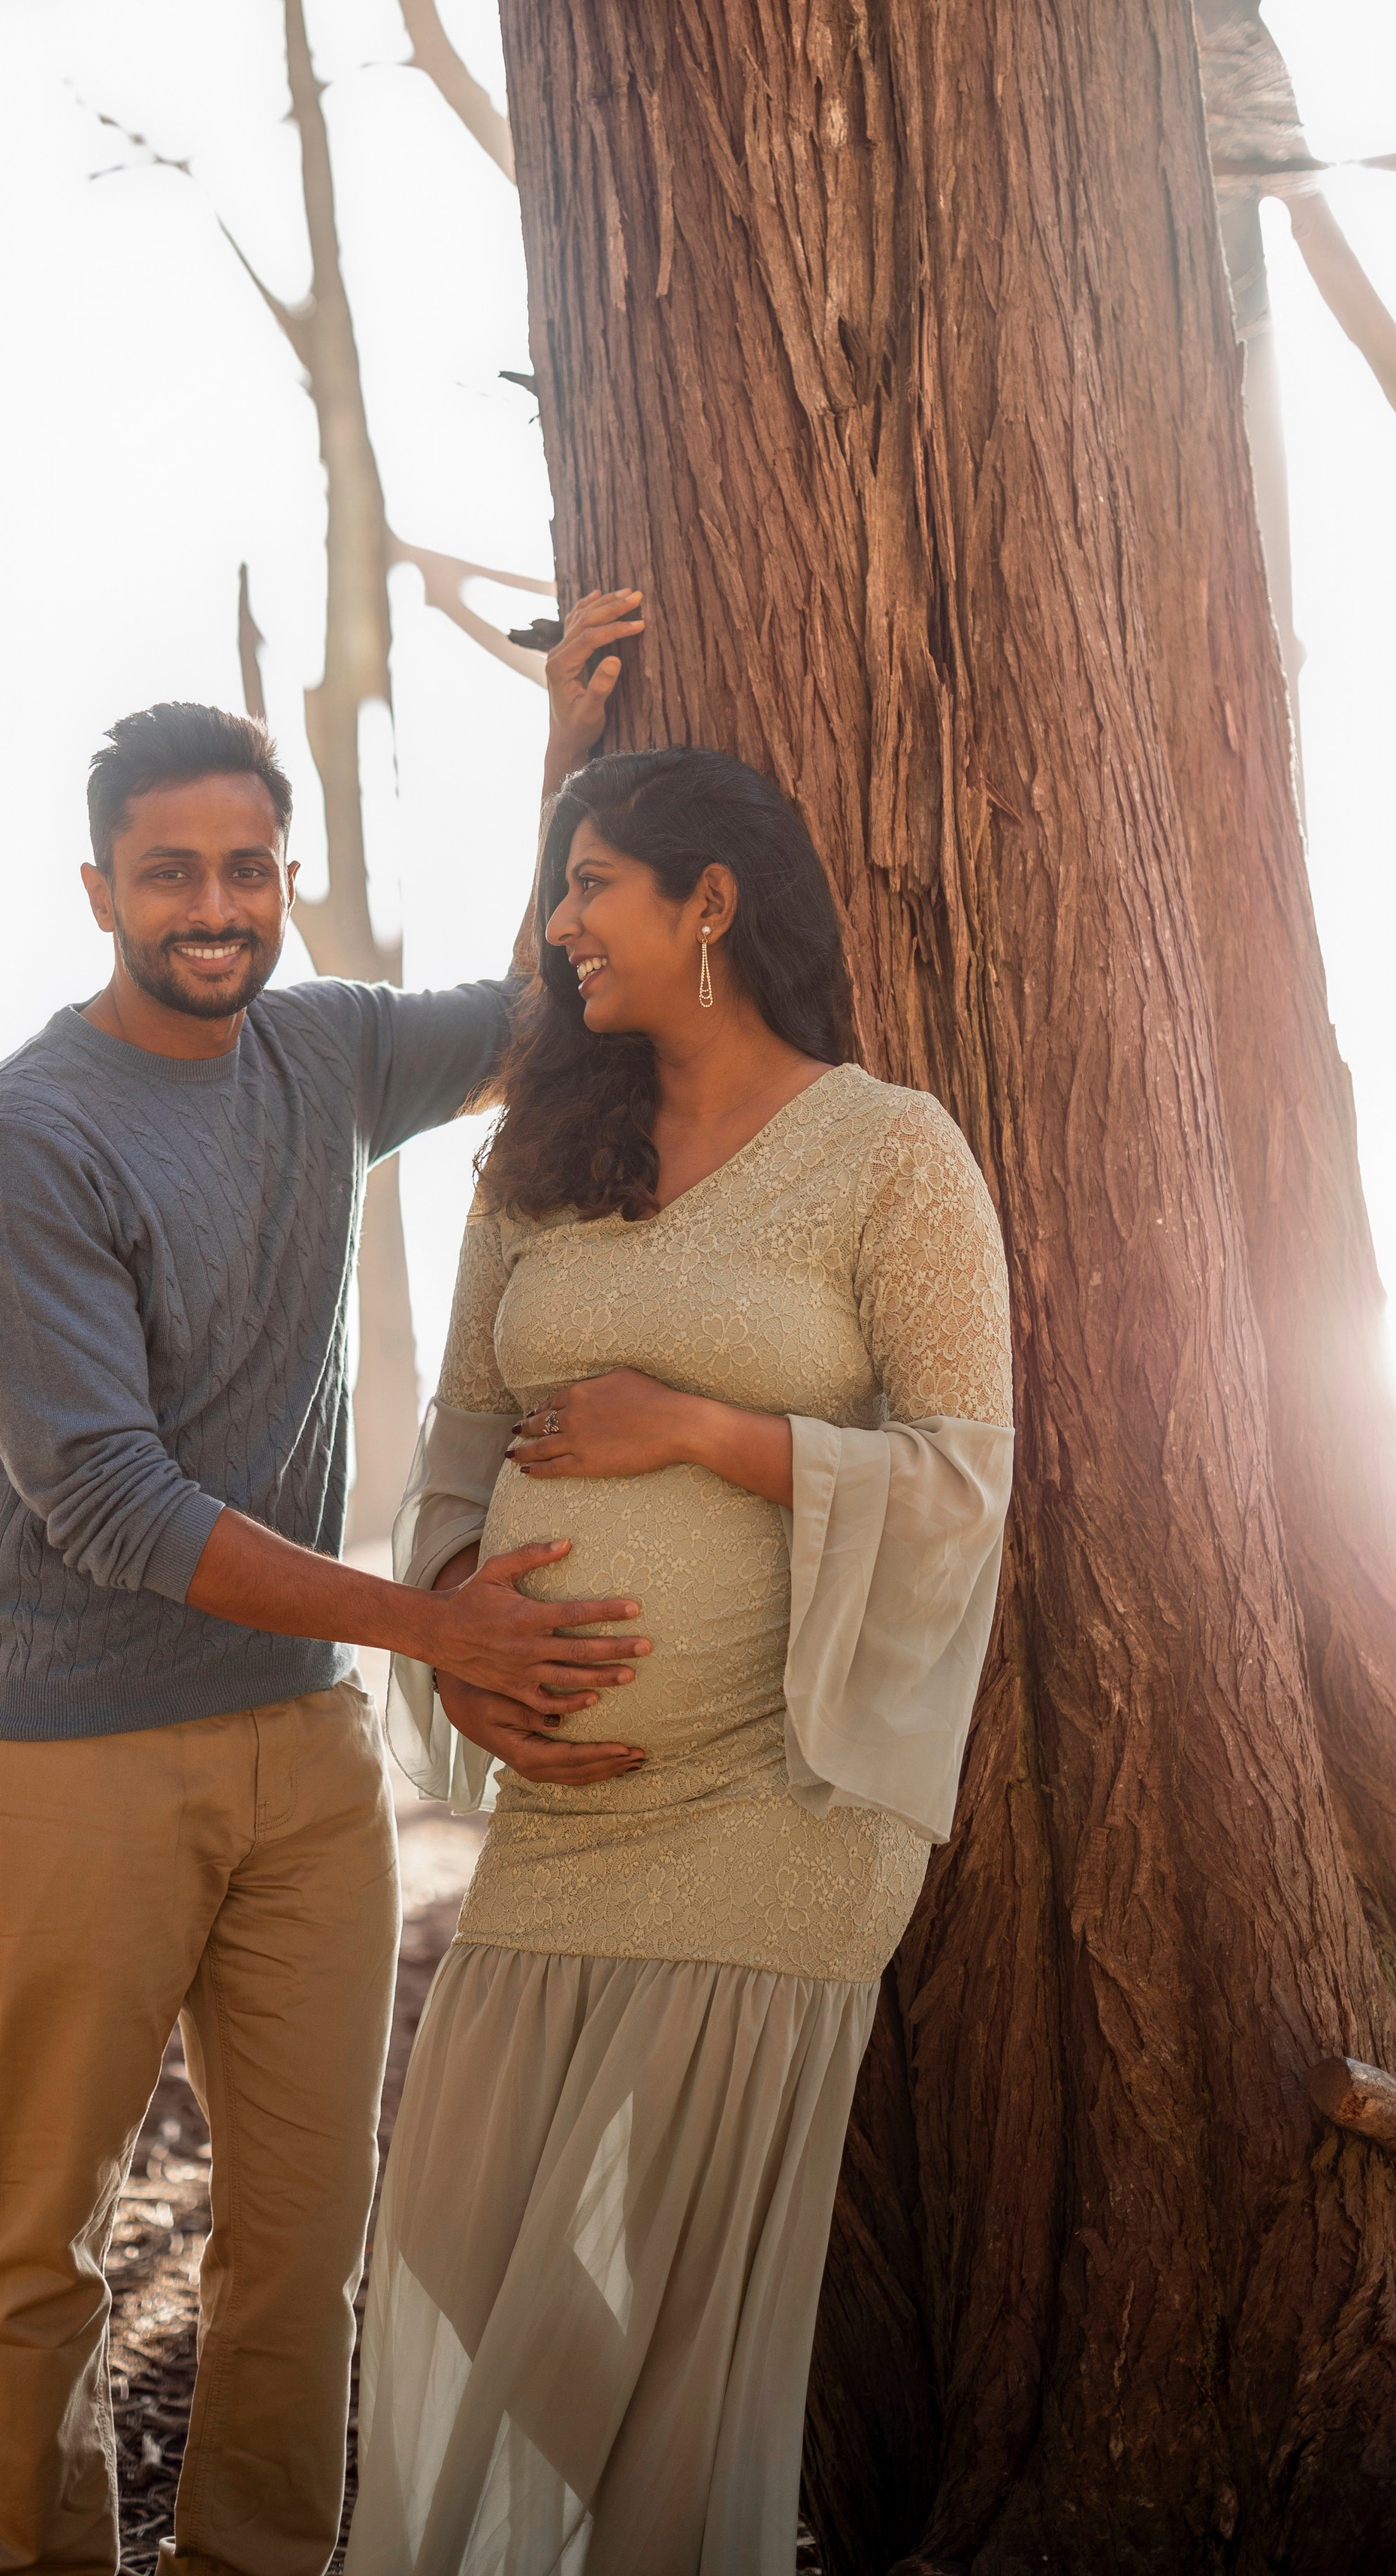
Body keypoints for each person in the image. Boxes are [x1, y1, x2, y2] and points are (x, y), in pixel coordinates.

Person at [0, 597, 651, 2576]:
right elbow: (116, 1507)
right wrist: (436, 1629)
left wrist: (565, 764)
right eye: (173, 871)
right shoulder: (27, 1140)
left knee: (303, 2246)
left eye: (249, 867)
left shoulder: (318, 1053)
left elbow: (542, 1020)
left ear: (286, 876)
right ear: (99, 888)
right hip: (73, 1760)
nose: (216, 903)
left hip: (299, 1763)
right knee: (42, 2253)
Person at [347, 745, 1015, 2576]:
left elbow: (966, 1476)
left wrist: (702, 1433)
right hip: (563, 1816)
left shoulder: (891, 1151)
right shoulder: (540, 1159)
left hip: (776, 1805)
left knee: (666, 2312)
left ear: (705, 901)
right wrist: (463, 1632)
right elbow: (456, 1447)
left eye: (589, 885)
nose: (555, 926)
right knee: (458, 2233)